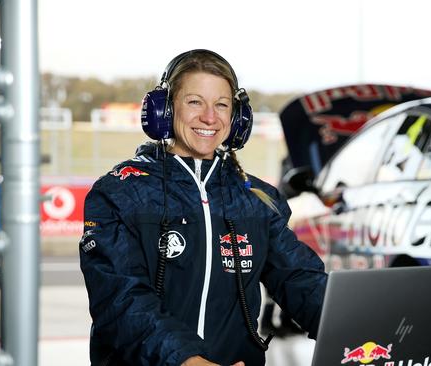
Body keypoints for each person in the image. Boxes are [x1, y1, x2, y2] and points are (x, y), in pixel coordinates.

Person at [78, 49, 327, 366]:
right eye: (195, 102)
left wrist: (359, 332)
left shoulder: (258, 199)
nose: (210, 117)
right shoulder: (119, 191)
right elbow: (121, 299)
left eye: (221, 105)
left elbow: (301, 281)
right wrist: (190, 362)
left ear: (238, 118)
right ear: (164, 110)